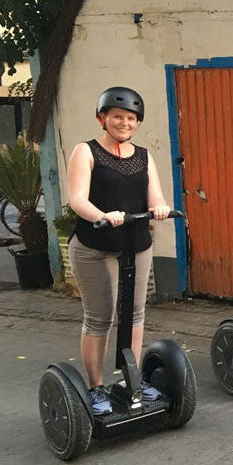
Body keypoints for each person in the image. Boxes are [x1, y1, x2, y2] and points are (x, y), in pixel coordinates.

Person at [67, 87, 171, 415]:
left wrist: (161, 208)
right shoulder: (85, 151)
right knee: (100, 317)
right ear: (102, 118)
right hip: (93, 244)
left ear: (137, 122)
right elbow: (77, 199)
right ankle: (96, 387)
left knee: (135, 313)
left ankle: (130, 380)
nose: (124, 123)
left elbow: (154, 195)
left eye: (130, 118)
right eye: (117, 116)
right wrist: (102, 216)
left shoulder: (142, 155)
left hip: (135, 243)